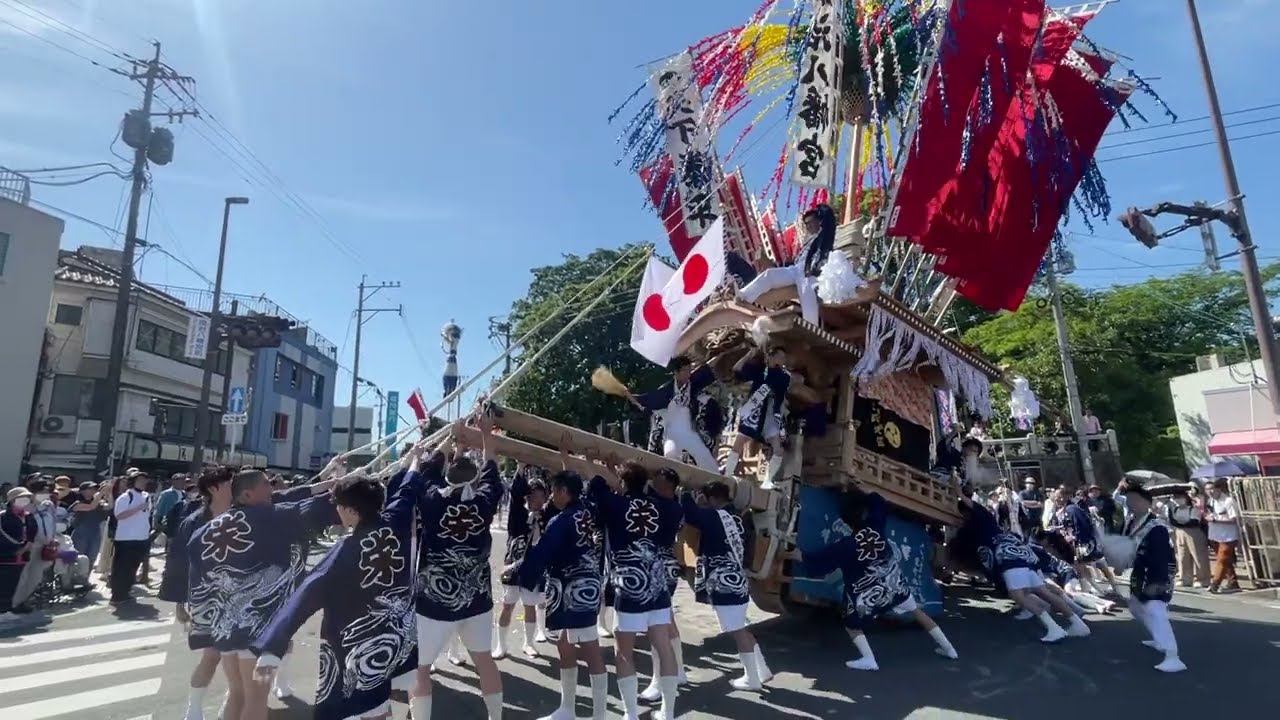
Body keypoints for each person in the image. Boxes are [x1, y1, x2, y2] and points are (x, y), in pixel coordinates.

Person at [252, 445, 429, 720]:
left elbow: (304, 597)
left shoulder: (345, 552)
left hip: (354, 645)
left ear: (351, 510)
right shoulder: (395, 522)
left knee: (360, 705)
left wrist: (272, 649)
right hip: (394, 636)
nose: (337, 512)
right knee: (382, 698)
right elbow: (407, 489)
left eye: (338, 507)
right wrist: (416, 460)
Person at [187, 467, 340, 720]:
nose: (271, 489)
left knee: (238, 693)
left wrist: (203, 627)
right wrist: (343, 492)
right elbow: (313, 510)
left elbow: (199, 586)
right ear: (246, 494)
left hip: (225, 630)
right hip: (260, 633)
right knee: (257, 697)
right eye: (265, 485)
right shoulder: (271, 517)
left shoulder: (203, 533)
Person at [790, 490, 957, 671]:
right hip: (893, 585)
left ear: (846, 522)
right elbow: (878, 502)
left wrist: (800, 556)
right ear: (864, 514)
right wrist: (863, 493)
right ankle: (949, 649)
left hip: (868, 594)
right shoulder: (875, 526)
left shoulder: (846, 546)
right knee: (917, 612)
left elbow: (818, 563)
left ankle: (869, 659)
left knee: (851, 624)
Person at [410, 416, 505, 720]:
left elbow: (428, 472)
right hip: (477, 600)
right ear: (473, 480)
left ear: (447, 478)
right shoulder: (484, 502)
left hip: (434, 603)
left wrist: (454, 440)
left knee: (420, 668)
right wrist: (487, 437)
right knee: (484, 661)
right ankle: (495, 717)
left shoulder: (432, 500)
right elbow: (492, 470)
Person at [588, 461, 683, 719]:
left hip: (629, 589)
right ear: (646, 483)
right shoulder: (662, 506)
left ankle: (630, 713)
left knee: (624, 653)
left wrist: (592, 463)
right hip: (658, 587)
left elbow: (596, 486)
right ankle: (668, 711)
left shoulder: (615, 504)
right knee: (664, 648)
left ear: (622, 483)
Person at [517, 469, 608, 720]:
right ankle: (567, 708)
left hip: (573, 590)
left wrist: (519, 572)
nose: (551, 496)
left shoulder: (563, 520)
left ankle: (599, 715)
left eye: (555, 490)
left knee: (590, 649)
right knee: (565, 644)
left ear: (564, 492)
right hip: (585, 586)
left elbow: (542, 553)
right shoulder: (589, 510)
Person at [955, 482, 1090, 643]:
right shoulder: (983, 524)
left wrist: (958, 492)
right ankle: (1078, 623)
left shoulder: (982, 516)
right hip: (1021, 554)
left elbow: (970, 504)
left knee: (1017, 595)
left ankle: (1054, 628)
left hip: (1009, 557)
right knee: (1042, 591)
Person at [682, 479, 778, 685]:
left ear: (713, 498)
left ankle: (752, 678)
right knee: (741, 627)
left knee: (738, 631)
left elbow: (690, 513)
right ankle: (762, 670)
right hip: (738, 582)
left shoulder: (715, 516)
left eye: (706, 500)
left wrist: (687, 493)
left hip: (725, 585)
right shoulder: (737, 518)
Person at [1120, 484, 1186, 672]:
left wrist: (1157, 582)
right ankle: (1159, 640)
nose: (1132, 504)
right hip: (1139, 571)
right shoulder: (1130, 522)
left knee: (1155, 609)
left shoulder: (1156, 527)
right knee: (1135, 605)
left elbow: (1161, 556)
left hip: (1159, 571)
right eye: (1129, 500)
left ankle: (1173, 655)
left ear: (1148, 503)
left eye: (1136, 500)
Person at [738, 203, 838, 324]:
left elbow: (824, 251)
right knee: (770, 275)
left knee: (806, 291)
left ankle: (812, 325)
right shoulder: (808, 242)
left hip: (812, 271)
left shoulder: (825, 237)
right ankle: (744, 296)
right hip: (797, 269)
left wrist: (814, 269)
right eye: (806, 224)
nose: (809, 226)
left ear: (819, 221)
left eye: (811, 222)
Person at [640, 468, 688, 701]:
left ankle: (659, 680)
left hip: (658, 566)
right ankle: (678, 671)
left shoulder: (662, 505)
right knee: (666, 618)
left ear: (669, 485)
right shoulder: (675, 506)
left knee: (656, 624)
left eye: (658, 479)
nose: (653, 481)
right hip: (667, 564)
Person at [494, 464, 550, 660]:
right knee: (507, 605)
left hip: (533, 569)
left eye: (540, 496)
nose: (536, 499)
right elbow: (516, 492)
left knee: (530, 605)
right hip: (512, 566)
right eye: (532, 495)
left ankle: (529, 643)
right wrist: (519, 467)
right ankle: (501, 645)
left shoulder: (547, 515)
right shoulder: (517, 512)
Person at [627, 355, 721, 472]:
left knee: (707, 460)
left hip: (689, 433)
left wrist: (722, 353)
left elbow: (707, 366)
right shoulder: (665, 391)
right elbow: (644, 400)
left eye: (689, 370)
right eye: (685, 370)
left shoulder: (692, 383)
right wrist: (630, 397)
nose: (688, 373)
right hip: (672, 435)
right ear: (676, 372)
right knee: (670, 455)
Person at [724, 346, 791, 489]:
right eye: (780, 356)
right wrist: (749, 355)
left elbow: (780, 394)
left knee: (778, 449)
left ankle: (767, 481)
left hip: (770, 414)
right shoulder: (760, 370)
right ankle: (727, 474)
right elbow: (737, 369)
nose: (782, 360)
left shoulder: (784, 376)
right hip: (754, 411)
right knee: (738, 445)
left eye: (784, 358)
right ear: (772, 357)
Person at [12, 478, 58, 610]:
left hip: (43, 546)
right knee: (23, 576)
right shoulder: (24, 504)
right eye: (44, 490)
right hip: (28, 545)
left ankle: (23, 600)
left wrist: (52, 538)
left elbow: (52, 523)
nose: (48, 492)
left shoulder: (49, 505)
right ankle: (15, 603)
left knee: (36, 576)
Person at [110, 471, 152, 605]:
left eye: (145, 480)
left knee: (133, 566)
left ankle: (126, 591)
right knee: (122, 567)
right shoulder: (126, 496)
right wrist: (138, 508)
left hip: (142, 536)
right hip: (126, 538)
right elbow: (119, 515)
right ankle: (117, 594)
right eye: (140, 480)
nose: (143, 482)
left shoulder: (146, 496)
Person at [0, 487, 34, 622]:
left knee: (13, 583)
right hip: (5, 555)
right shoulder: (3, 517)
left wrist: (27, 546)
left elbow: (32, 533)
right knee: (3, 583)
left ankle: (6, 608)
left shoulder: (28, 516)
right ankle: (2, 611)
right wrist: (15, 548)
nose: (24, 500)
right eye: (21, 498)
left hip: (22, 556)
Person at [1165, 490, 1211, 588]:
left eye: (1179, 497)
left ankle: (1202, 579)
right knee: (1182, 556)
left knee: (1198, 556)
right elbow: (1173, 522)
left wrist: (1179, 522)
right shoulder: (1176, 510)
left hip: (1193, 532)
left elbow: (1193, 522)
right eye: (1176, 498)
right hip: (1180, 532)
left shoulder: (1193, 509)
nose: (1178, 500)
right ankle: (1185, 578)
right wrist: (1170, 509)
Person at [1205, 479, 1241, 593]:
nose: (1210, 492)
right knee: (1226, 561)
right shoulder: (1211, 501)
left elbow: (1234, 519)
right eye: (1207, 489)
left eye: (1212, 489)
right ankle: (1233, 582)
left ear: (1219, 489)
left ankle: (1215, 584)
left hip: (1228, 536)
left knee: (1222, 560)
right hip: (1215, 535)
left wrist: (1216, 520)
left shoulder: (1228, 501)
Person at [67, 482, 110, 573]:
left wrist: (109, 493)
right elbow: (90, 507)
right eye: (90, 489)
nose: (93, 491)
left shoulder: (99, 504)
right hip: (80, 534)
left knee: (92, 557)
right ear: (82, 491)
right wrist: (100, 494)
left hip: (95, 533)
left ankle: (85, 580)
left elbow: (110, 506)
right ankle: (73, 578)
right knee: (78, 557)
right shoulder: (77, 504)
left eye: (95, 489)